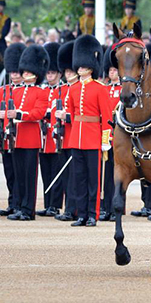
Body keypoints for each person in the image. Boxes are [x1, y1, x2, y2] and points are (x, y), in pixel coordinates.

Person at [55, 35, 112, 227]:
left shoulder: (100, 89)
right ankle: (81, 214)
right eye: (78, 66)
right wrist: (63, 115)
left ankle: (92, 214)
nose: (79, 69)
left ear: (91, 66)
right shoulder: (73, 89)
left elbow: (106, 117)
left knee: (93, 180)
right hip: (76, 139)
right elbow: (71, 113)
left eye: (83, 66)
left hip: (93, 138)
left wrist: (106, 139)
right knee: (78, 178)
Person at [4, 45, 50, 221]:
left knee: (30, 177)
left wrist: (19, 114)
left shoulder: (41, 92)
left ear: (35, 73)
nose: (23, 74)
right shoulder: (16, 92)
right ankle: (20, 207)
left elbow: (38, 113)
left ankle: (28, 210)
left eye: (27, 71)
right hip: (17, 138)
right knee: (20, 175)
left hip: (31, 139)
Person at [37, 42, 65, 217]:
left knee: (57, 172)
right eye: (47, 72)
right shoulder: (43, 89)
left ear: (59, 73)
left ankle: (55, 205)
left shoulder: (63, 90)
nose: (49, 75)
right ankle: (47, 203)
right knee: (45, 172)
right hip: (43, 136)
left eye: (52, 72)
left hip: (57, 137)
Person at [54, 41, 79, 222]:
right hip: (63, 136)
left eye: (71, 71)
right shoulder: (62, 89)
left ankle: (74, 209)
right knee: (65, 175)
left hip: (76, 136)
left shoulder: (80, 88)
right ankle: (68, 208)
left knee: (75, 176)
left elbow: (83, 113)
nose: (68, 74)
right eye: (67, 71)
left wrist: (67, 116)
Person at [0, 43, 26, 216]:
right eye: (13, 72)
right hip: (5, 137)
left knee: (19, 172)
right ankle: (12, 202)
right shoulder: (3, 90)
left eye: (18, 72)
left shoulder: (26, 90)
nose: (15, 75)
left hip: (20, 136)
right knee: (9, 172)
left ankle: (19, 203)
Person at [100, 47, 122, 221]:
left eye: (115, 70)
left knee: (118, 174)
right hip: (106, 135)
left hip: (120, 136)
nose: (112, 72)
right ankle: (105, 207)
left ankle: (115, 208)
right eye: (110, 70)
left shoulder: (124, 89)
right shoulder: (105, 89)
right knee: (106, 174)